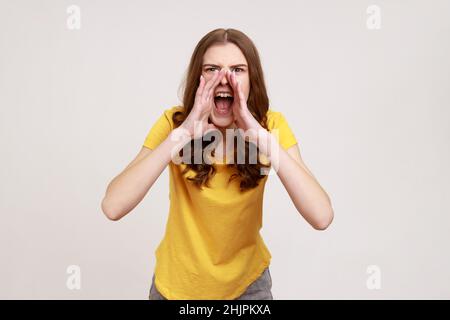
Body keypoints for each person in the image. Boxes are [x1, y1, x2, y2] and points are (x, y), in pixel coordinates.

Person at [101, 28, 334, 300]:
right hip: (176, 287)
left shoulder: (270, 127)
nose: (225, 79)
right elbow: (113, 206)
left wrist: (260, 136)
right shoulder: (173, 124)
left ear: (252, 79)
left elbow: (321, 216)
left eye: (237, 70)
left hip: (247, 287)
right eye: (212, 69)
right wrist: (183, 135)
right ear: (197, 79)